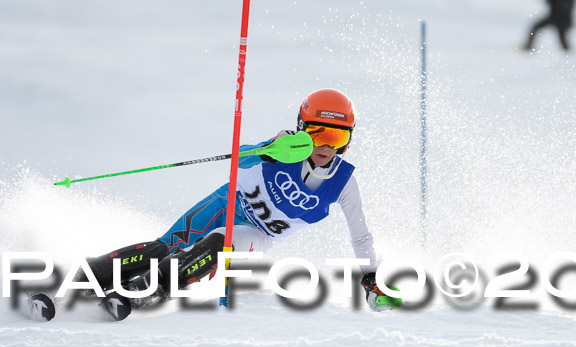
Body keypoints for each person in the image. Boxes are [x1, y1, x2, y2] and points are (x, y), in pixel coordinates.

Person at [81, 89, 400, 312]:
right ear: (303, 128)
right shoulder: (284, 147)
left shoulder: (344, 183)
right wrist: (267, 148)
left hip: (258, 234)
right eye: (318, 134)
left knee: (221, 242)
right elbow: (238, 161)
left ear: (348, 141)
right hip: (227, 202)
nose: (326, 146)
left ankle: (147, 291)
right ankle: (90, 276)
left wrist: (370, 276)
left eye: (337, 137)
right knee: (170, 243)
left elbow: (361, 235)